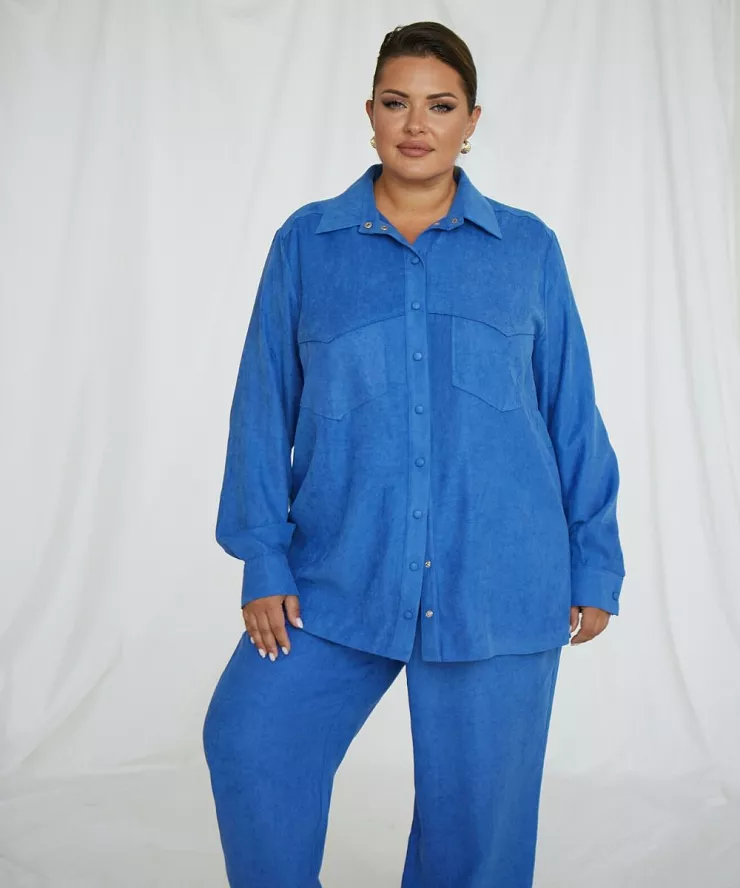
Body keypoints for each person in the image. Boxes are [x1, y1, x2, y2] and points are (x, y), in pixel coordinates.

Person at [202, 19, 625, 888]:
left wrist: (595, 561)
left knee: (474, 842)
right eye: (397, 103)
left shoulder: (527, 250)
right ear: (370, 114)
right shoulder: (307, 245)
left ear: (472, 121)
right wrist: (262, 556)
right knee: (250, 740)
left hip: (498, 577)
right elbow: (262, 406)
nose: (417, 124)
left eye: (440, 105)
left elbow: (571, 412)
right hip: (336, 572)